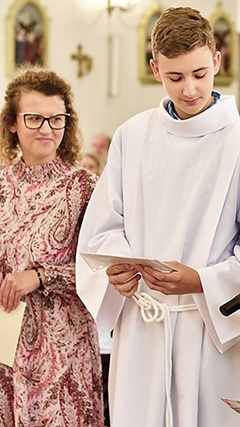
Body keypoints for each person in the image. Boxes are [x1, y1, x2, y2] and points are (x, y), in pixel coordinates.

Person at [75, 7, 240, 427]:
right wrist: (116, 270)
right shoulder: (131, 137)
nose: (190, 89)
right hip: (145, 323)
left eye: (199, 74)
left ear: (217, 62)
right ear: (156, 69)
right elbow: (101, 229)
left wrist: (200, 281)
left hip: (213, 328)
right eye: (175, 77)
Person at [0, 69, 103, 425]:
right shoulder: (0, 184)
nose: (47, 128)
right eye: (34, 118)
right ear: (13, 123)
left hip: (64, 347)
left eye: (56, 118)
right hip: (5, 341)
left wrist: (42, 276)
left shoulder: (85, 187)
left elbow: (106, 268)